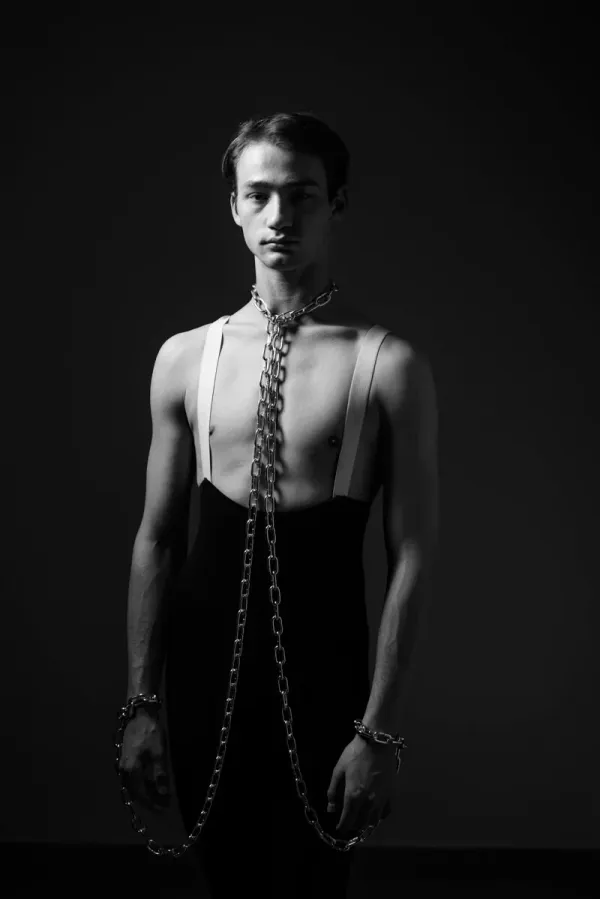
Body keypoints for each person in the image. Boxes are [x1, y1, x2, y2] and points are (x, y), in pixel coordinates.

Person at [118, 111, 438, 898]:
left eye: (300, 194)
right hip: (199, 682)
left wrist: (379, 728)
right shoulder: (186, 358)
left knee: (310, 888)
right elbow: (158, 539)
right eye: (258, 194)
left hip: (326, 683)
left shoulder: (387, 365)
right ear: (232, 205)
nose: (279, 216)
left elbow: (413, 556)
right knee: (223, 882)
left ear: (338, 202)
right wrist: (140, 703)